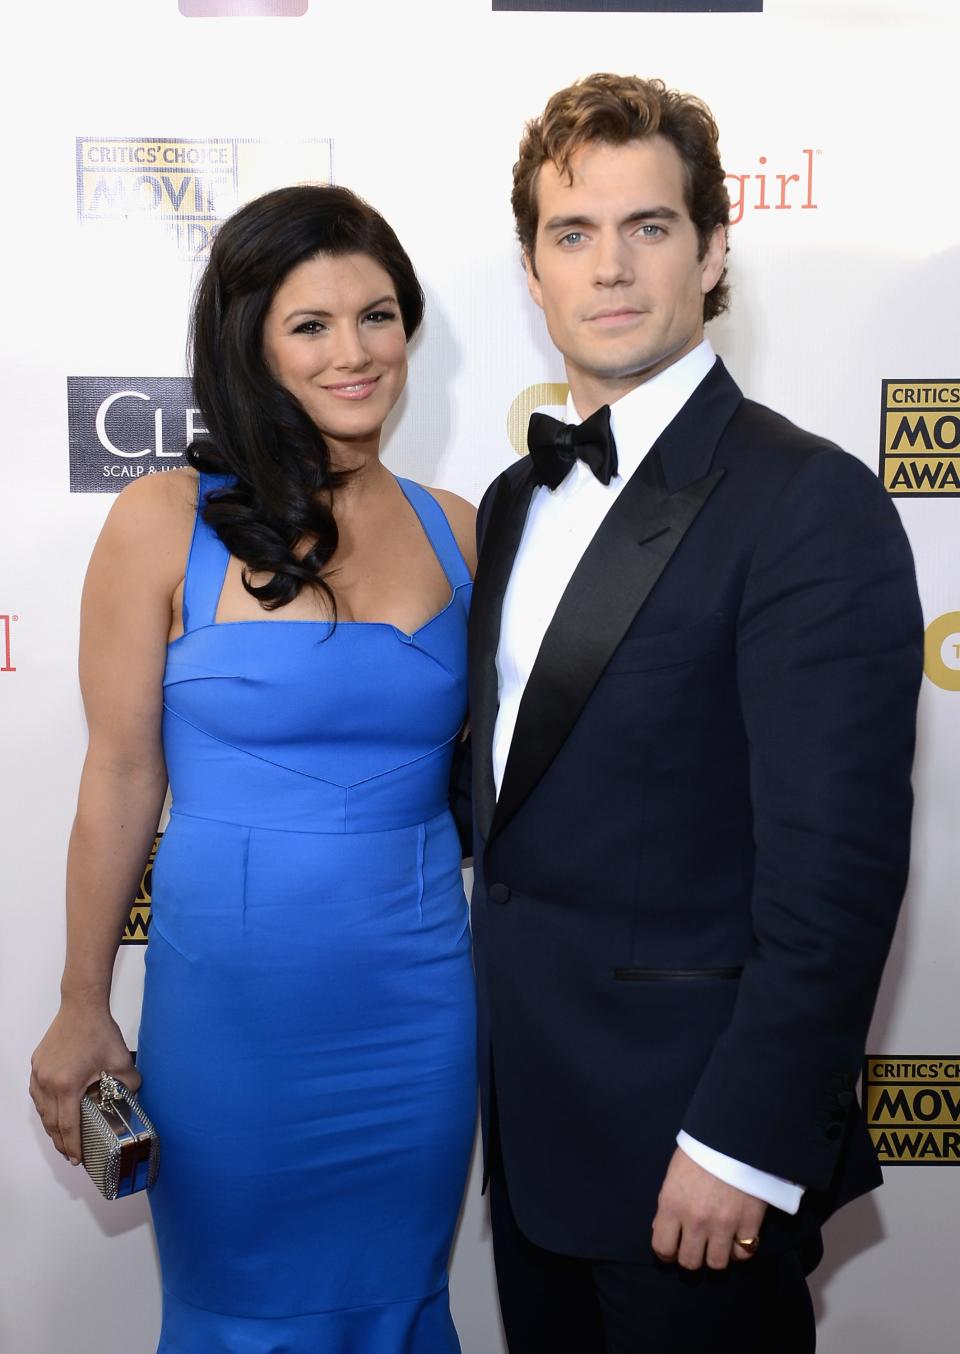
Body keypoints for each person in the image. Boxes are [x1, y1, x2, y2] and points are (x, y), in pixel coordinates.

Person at [462, 74, 924, 1353]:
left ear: (716, 250)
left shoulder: (807, 504)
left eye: (649, 228)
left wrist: (746, 1139)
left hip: (694, 1159)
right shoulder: (510, 503)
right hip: (538, 1144)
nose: (610, 268)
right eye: (573, 233)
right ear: (532, 266)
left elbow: (834, 878)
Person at [30, 184, 478, 1353]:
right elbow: (121, 776)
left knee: (399, 1303)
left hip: (417, 1007)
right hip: (232, 1012)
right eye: (311, 324)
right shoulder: (163, 520)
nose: (355, 352)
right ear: (251, 344)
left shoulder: (459, 529)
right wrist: (84, 1001)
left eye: (377, 316)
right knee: (239, 1313)